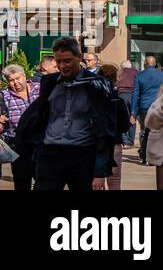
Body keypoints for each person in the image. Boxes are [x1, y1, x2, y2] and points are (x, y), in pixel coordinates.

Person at [14, 37, 119, 191]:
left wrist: (100, 171)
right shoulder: (49, 82)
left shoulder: (97, 84)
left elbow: (106, 130)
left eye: (68, 61)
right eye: (59, 61)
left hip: (83, 155)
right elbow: (40, 114)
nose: (63, 66)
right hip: (50, 154)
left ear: (79, 57)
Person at [1, 64, 40, 190]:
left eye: (17, 78)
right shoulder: (4, 96)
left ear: (24, 76)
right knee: (22, 182)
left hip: (40, 143)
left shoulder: (39, 89)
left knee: (43, 180)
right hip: (18, 145)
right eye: (11, 80)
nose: (15, 83)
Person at [97, 63, 131, 190]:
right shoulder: (117, 100)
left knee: (94, 179)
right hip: (114, 142)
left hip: (92, 143)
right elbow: (125, 125)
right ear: (114, 79)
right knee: (114, 180)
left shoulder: (91, 98)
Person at [131, 55, 163, 163]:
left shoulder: (140, 76)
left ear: (145, 63)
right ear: (155, 64)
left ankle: (144, 155)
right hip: (159, 106)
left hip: (144, 107)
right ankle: (155, 155)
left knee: (144, 131)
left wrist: (133, 113)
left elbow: (135, 95)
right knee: (158, 131)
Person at [115, 60, 138, 148]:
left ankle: (124, 141)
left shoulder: (120, 73)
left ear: (122, 67)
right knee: (132, 118)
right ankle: (130, 141)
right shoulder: (135, 72)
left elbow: (116, 83)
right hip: (132, 96)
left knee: (123, 118)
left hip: (121, 95)